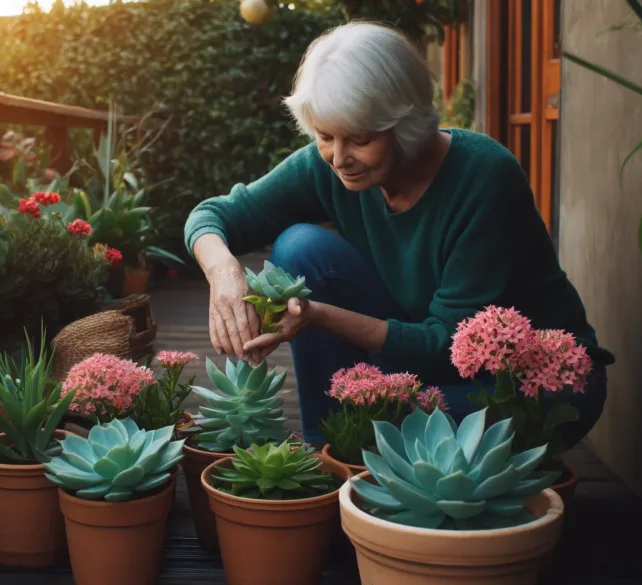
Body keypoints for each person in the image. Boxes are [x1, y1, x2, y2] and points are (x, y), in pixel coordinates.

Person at [182, 22, 615, 446]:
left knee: (390, 424)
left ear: (404, 124)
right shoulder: (327, 164)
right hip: (418, 355)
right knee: (301, 246)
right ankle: (332, 447)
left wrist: (315, 314)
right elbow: (214, 215)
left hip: (527, 382)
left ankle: (361, 431)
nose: (338, 158)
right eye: (325, 136)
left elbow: (446, 345)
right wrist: (223, 269)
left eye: (359, 139)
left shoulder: (485, 178)